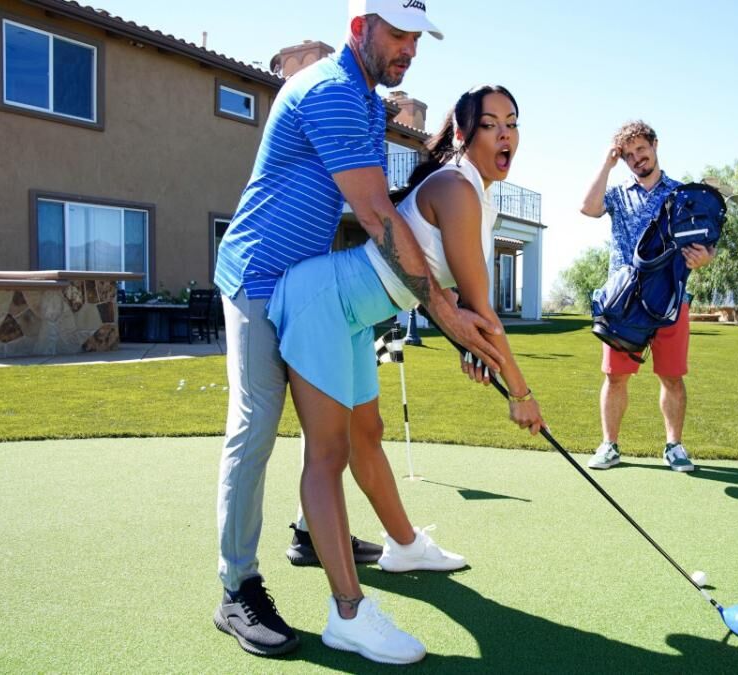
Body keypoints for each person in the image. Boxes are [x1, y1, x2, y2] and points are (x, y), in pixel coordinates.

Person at [211, 1, 505, 663]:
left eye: (416, 37)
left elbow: (384, 210)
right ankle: (236, 585)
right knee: (256, 427)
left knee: (341, 430)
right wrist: (447, 312)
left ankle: (312, 536)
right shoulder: (335, 92)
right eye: (397, 34)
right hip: (259, 277)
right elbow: (376, 214)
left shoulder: (370, 103)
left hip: (309, 282)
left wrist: (451, 308)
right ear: (360, 28)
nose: (409, 49)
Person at [266, 84, 543, 663]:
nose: (506, 134)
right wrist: (521, 393)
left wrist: (466, 341)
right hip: (322, 302)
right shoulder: (458, 189)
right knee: (328, 454)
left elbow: (456, 302)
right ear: (464, 135)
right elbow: (484, 313)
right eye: (491, 125)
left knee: (368, 433)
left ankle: (405, 545)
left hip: (352, 317)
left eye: (512, 123)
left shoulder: (477, 195)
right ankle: (347, 613)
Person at [579, 121, 715, 473]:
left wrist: (705, 258)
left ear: (655, 145)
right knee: (615, 377)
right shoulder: (618, 193)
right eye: (628, 155)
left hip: (671, 299)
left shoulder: (683, 194)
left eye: (641, 150)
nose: (637, 159)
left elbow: (706, 245)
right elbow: (588, 208)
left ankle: (674, 447)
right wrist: (607, 164)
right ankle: (609, 445)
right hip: (623, 304)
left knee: (671, 377)